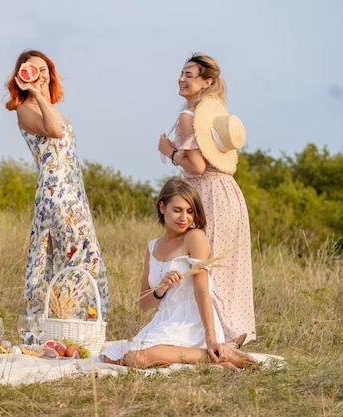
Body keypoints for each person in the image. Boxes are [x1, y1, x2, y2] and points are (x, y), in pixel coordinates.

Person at [100, 178, 256, 371]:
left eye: (190, 211)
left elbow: (202, 292)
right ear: (162, 207)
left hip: (193, 321)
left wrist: (211, 338)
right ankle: (207, 359)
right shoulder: (153, 247)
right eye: (177, 210)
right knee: (110, 357)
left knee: (136, 358)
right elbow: (144, 304)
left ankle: (211, 355)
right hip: (165, 320)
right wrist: (162, 288)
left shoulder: (194, 238)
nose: (184, 218)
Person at [157, 53, 255, 346]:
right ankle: (231, 330)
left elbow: (197, 167)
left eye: (189, 74)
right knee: (227, 265)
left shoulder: (189, 118)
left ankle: (216, 334)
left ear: (206, 82)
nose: (182, 79)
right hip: (229, 192)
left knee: (204, 263)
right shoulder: (208, 117)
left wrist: (170, 152)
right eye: (182, 73)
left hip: (207, 195)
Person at [4, 50, 108, 320]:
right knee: (78, 255)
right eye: (32, 70)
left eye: (44, 69)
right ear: (21, 77)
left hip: (73, 192)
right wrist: (36, 93)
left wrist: (43, 97)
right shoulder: (25, 110)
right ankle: (59, 319)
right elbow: (56, 132)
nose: (39, 75)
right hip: (55, 195)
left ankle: (76, 318)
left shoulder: (50, 107)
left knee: (80, 255)